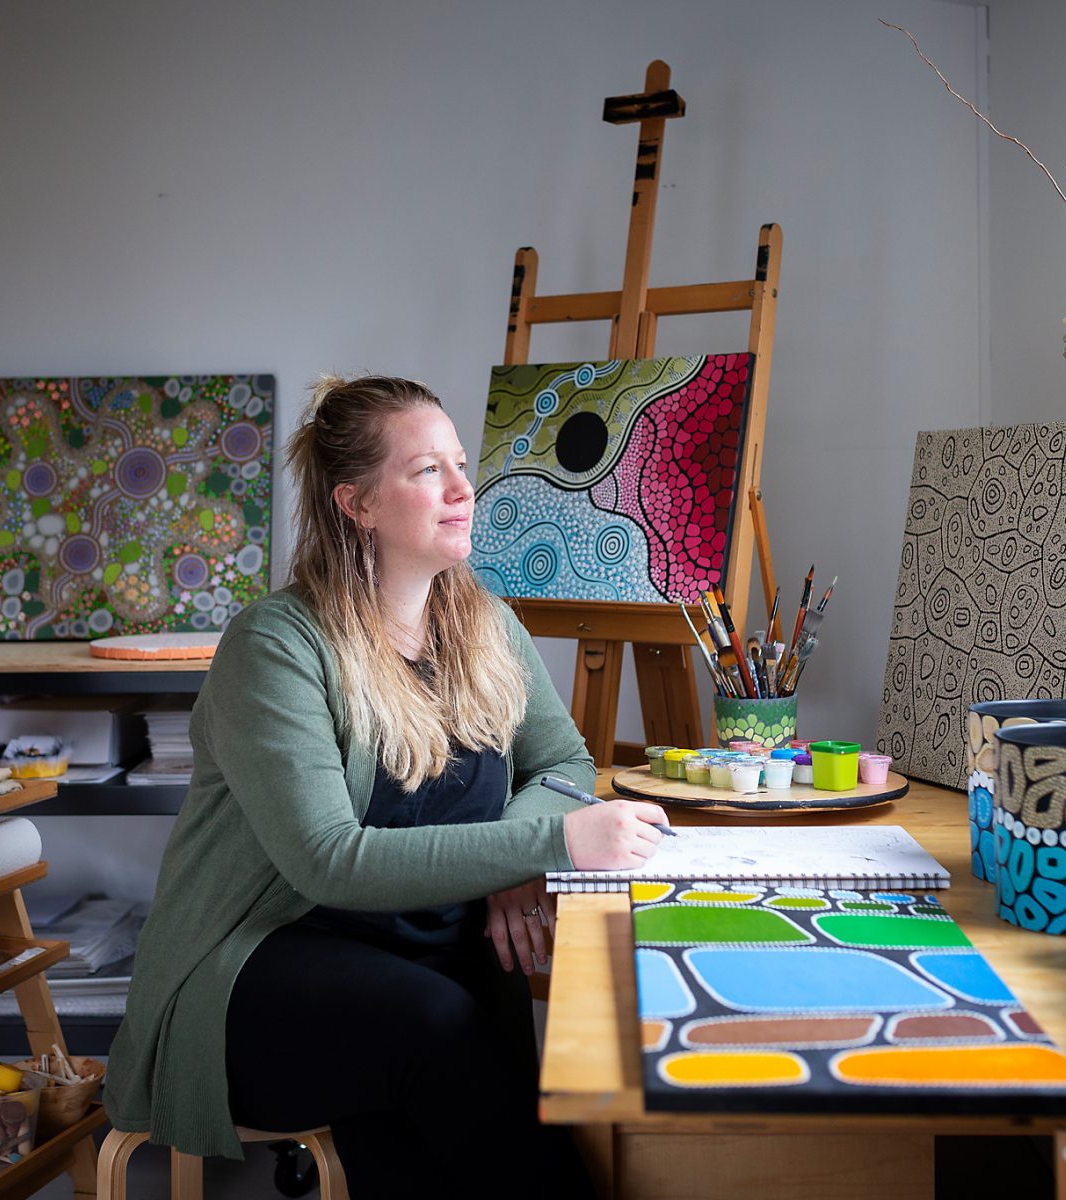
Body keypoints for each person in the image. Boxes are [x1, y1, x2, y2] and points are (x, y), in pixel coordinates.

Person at [105, 374, 670, 1198]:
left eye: (460, 465)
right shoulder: (276, 646)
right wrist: (550, 842)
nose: (463, 489)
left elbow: (562, 763)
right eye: (427, 471)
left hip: (423, 961)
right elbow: (330, 860)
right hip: (260, 969)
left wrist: (512, 866)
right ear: (358, 504)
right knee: (438, 1031)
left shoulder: (485, 623)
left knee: (513, 1056)